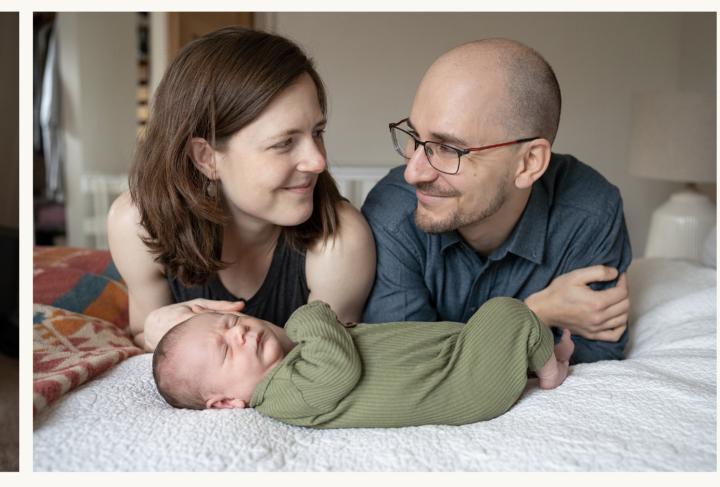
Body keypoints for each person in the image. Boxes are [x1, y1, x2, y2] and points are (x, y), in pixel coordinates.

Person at [361, 38, 631, 364]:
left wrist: (463, 348)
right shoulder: (393, 213)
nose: (413, 172)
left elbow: (594, 356)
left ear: (529, 163)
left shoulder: (591, 213)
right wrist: (536, 313)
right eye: (414, 137)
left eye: (448, 148)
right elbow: (408, 366)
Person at [109, 27, 375, 352]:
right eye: (284, 143)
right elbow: (141, 337)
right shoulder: (136, 224)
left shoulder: (341, 241)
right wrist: (153, 329)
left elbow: (331, 363)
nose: (318, 161)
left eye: (317, 132)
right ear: (206, 158)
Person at [152, 298, 572, 428]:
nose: (240, 333)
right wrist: (309, 314)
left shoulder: (290, 364)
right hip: (461, 386)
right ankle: (551, 374)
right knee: (507, 312)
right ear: (226, 403)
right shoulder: (282, 394)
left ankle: (531, 360)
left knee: (482, 329)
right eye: (226, 350)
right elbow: (339, 366)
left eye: (231, 322)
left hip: (450, 360)